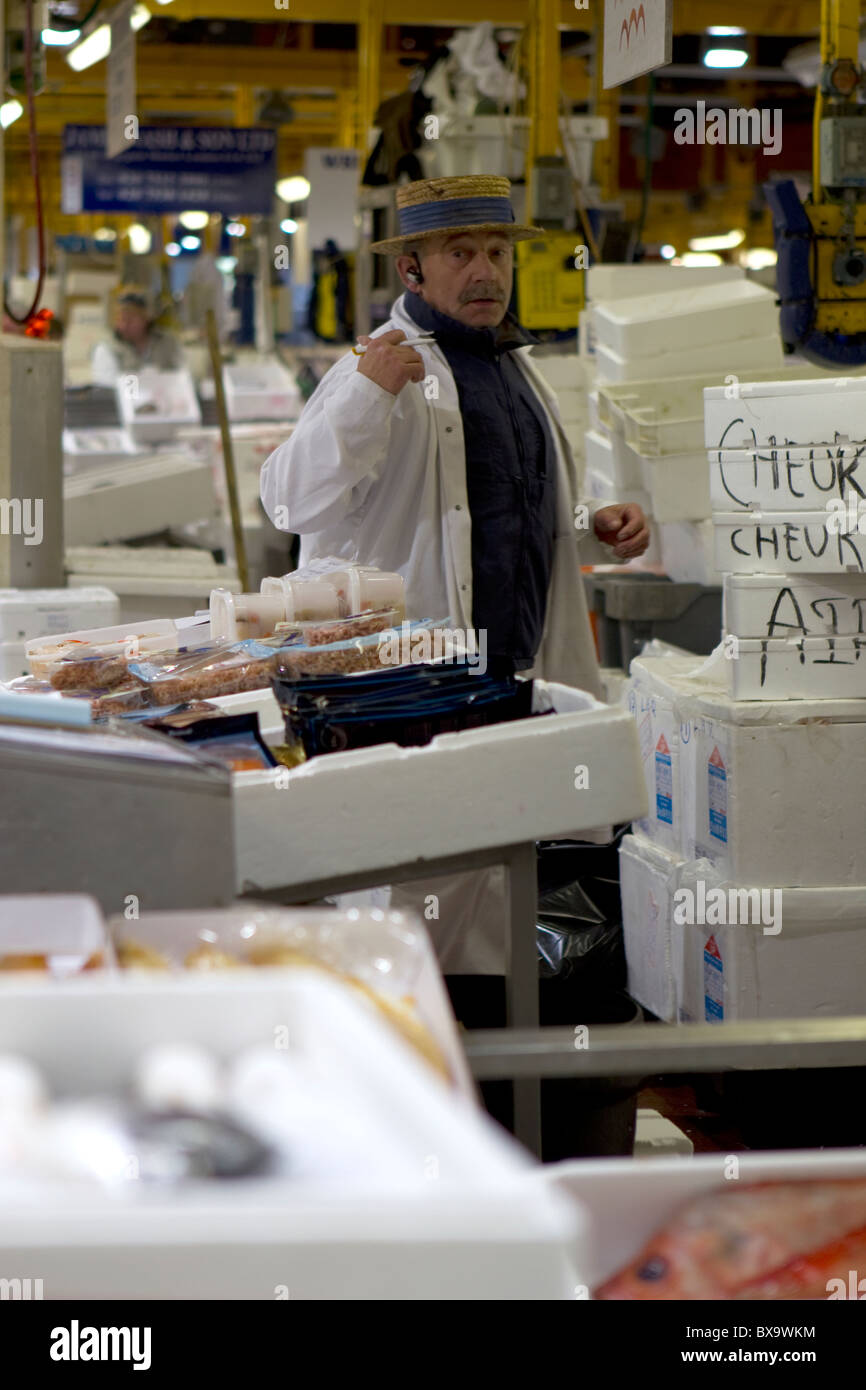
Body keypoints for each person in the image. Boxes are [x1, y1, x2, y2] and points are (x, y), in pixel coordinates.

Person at [259, 175, 650, 1018]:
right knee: (405, 909)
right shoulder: (379, 366)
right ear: (412, 270)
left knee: (492, 915)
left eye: (500, 251)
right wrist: (368, 393)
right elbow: (288, 501)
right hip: (408, 693)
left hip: (503, 687)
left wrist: (590, 526)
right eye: (460, 252)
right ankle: (400, 1077)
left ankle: (483, 1083)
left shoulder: (512, 372)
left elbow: (498, 513)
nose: (487, 271)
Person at [92, 285, 185, 387]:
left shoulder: (168, 343)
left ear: (147, 318)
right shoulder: (107, 348)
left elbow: (182, 378)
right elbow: (109, 389)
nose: (124, 325)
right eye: (120, 320)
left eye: (130, 319)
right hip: (126, 401)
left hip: (166, 399)